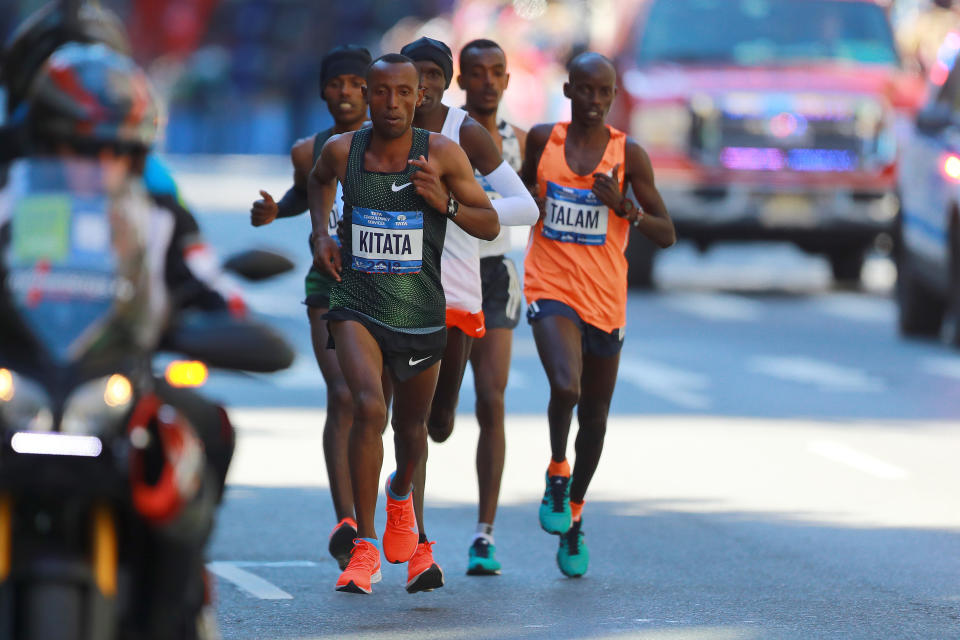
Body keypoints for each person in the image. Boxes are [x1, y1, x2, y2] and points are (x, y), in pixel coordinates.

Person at [307, 53, 499, 595]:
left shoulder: (441, 153)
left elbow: (487, 221)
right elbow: (319, 183)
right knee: (368, 406)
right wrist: (320, 234)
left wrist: (448, 204)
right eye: (381, 92)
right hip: (356, 302)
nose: (391, 104)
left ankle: (400, 494)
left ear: (421, 98)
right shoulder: (343, 150)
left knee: (413, 432)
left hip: (418, 311)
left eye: (403, 93)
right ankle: (365, 548)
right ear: (369, 96)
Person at [521, 52, 675, 578]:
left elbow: (666, 232)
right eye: (583, 89)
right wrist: (530, 203)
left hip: (605, 297)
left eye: (602, 92)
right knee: (566, 387)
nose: (592, 100)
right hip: (549, 285)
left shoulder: (629, 154)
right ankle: (557, 471)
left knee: (597, 416)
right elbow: (516, 195)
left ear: (613, 97)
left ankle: (576, 513)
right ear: (568, 90)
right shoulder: (545, 141)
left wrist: (624, 206)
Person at [398, 35, 537, 583]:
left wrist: (460, 206)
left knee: (476, 403)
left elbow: (528, 204)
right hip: (407, 282)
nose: (484, 81)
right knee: (403, 418)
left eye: (435, 74)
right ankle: (417, 540)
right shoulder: (380, 133)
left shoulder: (491, 137)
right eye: (417, 75)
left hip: (486, 272)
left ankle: (485, 530)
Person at [249, 44, 390, 570]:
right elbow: (304, 194)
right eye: (337, 84)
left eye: (357, 83)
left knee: (375, 403)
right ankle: (348, 521)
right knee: (342, 394)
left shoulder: (390, 145)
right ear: (323, 90)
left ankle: (381, 503)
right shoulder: (309, 151)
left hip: (383, 283)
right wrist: (274, 211)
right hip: (327, 281)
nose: (346, 93)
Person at [455, 38, 528, 576]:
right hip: (445, 272)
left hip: (497, 273)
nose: (485, 81)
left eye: (495, 72)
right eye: (475, 72)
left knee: (491, 397)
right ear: (460, 80)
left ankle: (485, 532)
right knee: (434, 414)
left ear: (507, 81)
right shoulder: (447, 135)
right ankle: (405, 490)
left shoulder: (522, 142)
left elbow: (542, 206)